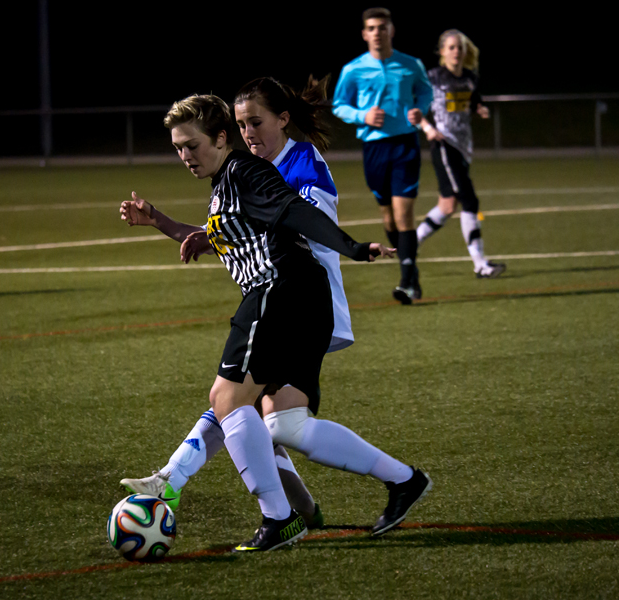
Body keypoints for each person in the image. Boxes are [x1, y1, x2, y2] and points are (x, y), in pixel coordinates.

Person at [120, 87, 431, 549]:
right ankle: (399, 481)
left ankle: (258, 510)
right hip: (301, 300)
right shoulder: (228, 180)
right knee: (285, 425)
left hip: (282, 291)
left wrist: (353, 247)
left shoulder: (255, 170)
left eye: (192, 145)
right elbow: (229, 231)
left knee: (228, 398)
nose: (185, 156)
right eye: (178, 149)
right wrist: (162, 222)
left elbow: (295, 212)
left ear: (221, 138)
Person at [332, 7, 433, 304]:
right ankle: (411, 271)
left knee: (404, 214)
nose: (377, 33)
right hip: (374, 149)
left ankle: (406, 282)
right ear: (364, 34)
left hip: (405, 144)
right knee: (388, 217)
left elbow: (425, 93)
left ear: (391, 31)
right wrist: (362, 114)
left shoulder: (411, 64)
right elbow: (339, 105)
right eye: (372, 28)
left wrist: (419, 110)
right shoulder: (353, 70)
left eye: (382, 27)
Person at [416, 29, 506, 278]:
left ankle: (410, 245)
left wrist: (480, 108)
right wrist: (427, 128)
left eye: (460, 47)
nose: (456, 51)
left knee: (446, 207)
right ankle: (480, 264)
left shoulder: (469, 77)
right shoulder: (432, 78)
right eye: (452, 47)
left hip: (463, 148)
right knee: (470, 200)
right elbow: (414, 107)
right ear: (442, 51)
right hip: (444, 146)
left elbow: (473, 98)